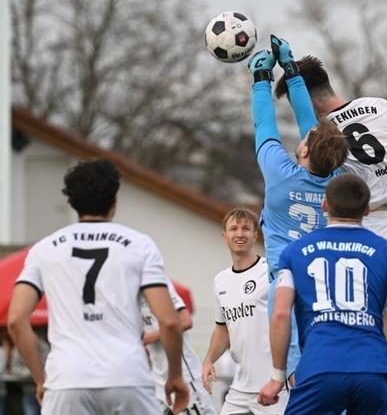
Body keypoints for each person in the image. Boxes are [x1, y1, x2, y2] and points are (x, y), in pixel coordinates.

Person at [275, 55, 387, 403]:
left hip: (365, 226)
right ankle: (382, 401)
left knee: (357, 323)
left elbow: (306, 170)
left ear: (308, 100)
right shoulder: (382, 106)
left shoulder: (322, 132)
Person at [7, 159, 188, 414]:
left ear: (71, 202)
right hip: (127, 376)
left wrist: (40, 378)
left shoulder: (44, 249)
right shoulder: (140, 244)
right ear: (114, 200)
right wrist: (176, 377)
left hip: (67, 379)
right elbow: (169, 321)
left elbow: (15, 319)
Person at [258, 173, 387, 414]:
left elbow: (281, 315)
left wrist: (277, 376)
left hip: (319, 368)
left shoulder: (295, 251)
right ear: (367, 209)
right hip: (372, 370)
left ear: (325, 205)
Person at [248, 37, 349, 380]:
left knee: (298, 383)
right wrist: (290, 71)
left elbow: (265, 127)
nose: (303, 139)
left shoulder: (279, 177)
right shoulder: (337, 181)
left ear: (305, 153)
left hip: (287, 289)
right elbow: (315, 130)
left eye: (305, 142)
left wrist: (261, 79)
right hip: (330, 289)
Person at [202, 207, 288, 414]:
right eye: (233, 229)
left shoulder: (271, 271)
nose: (239, 234)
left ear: (254, 235)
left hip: (275, 384)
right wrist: (208, 360)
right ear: (225, 236)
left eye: (245, 229)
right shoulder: (220, 280)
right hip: (240, 388)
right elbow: (222, 329)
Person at [140, 280, 216, 414]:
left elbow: (185, 321)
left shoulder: (157, 282)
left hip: (185, 379)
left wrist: (149, 337)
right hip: (158, 384)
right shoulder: (129, 292)